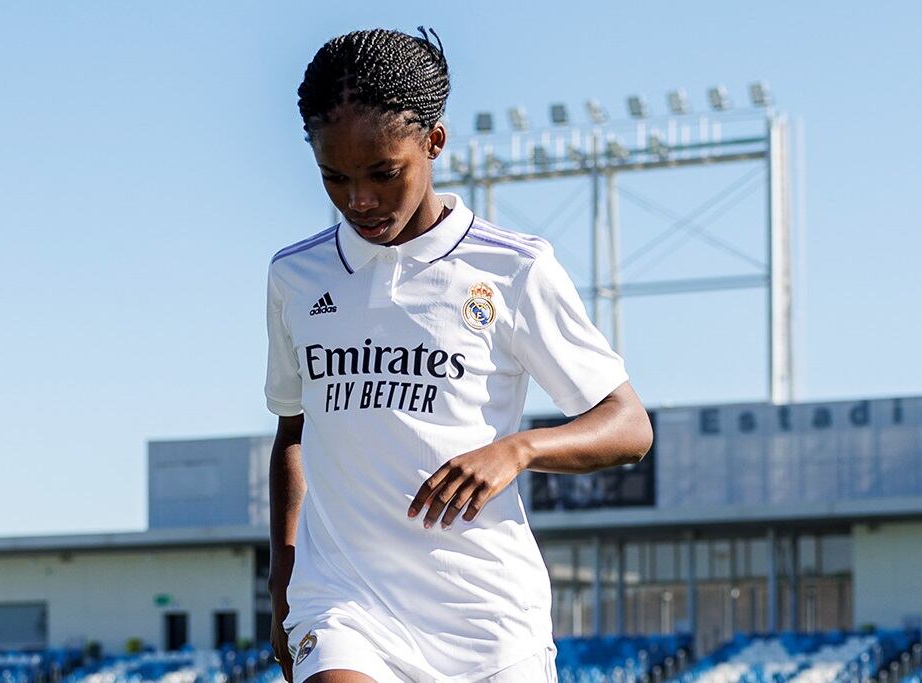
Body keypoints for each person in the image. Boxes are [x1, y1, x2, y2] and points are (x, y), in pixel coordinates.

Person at [265, 27, 653, 683]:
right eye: (334, 176)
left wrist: (518, 449)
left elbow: (628, 425)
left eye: (384, 174)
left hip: (486, 620)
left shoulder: (512, 268)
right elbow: (293, 432)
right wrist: (284, 580)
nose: (359, 199)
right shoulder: (296, 276)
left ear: (433, 143)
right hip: (345, 604)